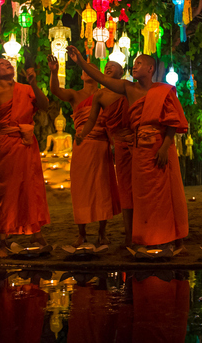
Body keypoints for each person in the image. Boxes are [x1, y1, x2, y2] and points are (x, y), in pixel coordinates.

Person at [66, 45, 189, 250]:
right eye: (134, 63)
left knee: (168, 192)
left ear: (150, 69)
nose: (135, 66)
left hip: (162, 146)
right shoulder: (128, 88)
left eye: (139, 63)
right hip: (139, 147)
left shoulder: (163, 90)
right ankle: (147, 237)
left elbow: (172, 124)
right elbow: (102, 79)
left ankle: (177, 240)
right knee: (142, 195)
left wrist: (164, 148)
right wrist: (80, 61)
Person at [0, 59, 50, 258]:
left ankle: (36, 235)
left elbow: (45, 105)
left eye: (8, 62)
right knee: (5, 190)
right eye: (0, 63)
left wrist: (34, 83)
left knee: (30, 188)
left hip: (27, 144)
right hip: (7, 143)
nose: (6, 63)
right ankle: (2, 241)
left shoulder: (25, 88)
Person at [48, 55, 120, 247]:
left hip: (102, 145)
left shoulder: (107, 94)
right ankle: (82, 233)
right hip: (82, 145)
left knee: (101, 188)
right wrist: (54, 72)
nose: (87, 71)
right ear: (82, 76)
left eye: (92, 68)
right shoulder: (75, 95)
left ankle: (102, 233)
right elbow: (55, 90)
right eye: (84, 69)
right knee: (81, 189)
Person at [74, 60, 135, 246]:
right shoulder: (99, 95)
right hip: (119, 143)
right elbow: (92, 119)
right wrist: (82, 134)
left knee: (140, 188)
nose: (108, 67)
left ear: (122, 72)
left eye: (113, 65)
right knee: (125, 190)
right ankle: (129, 235)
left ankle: (146, 230)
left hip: (136, 141)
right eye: (106, 65)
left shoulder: (128, 88)